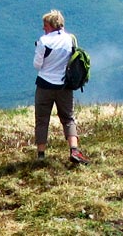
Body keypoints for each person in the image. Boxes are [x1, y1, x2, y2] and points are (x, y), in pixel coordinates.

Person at [33, 9, 87, 164]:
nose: (44, 28)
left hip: (44, 85)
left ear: (51, 25)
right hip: (64, 85)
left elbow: (37, 65)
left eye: (45, 25)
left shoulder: (44, 41)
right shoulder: (70, 39)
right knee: (68, 118)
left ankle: (41, 155)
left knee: (42, 119)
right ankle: (74, 150)